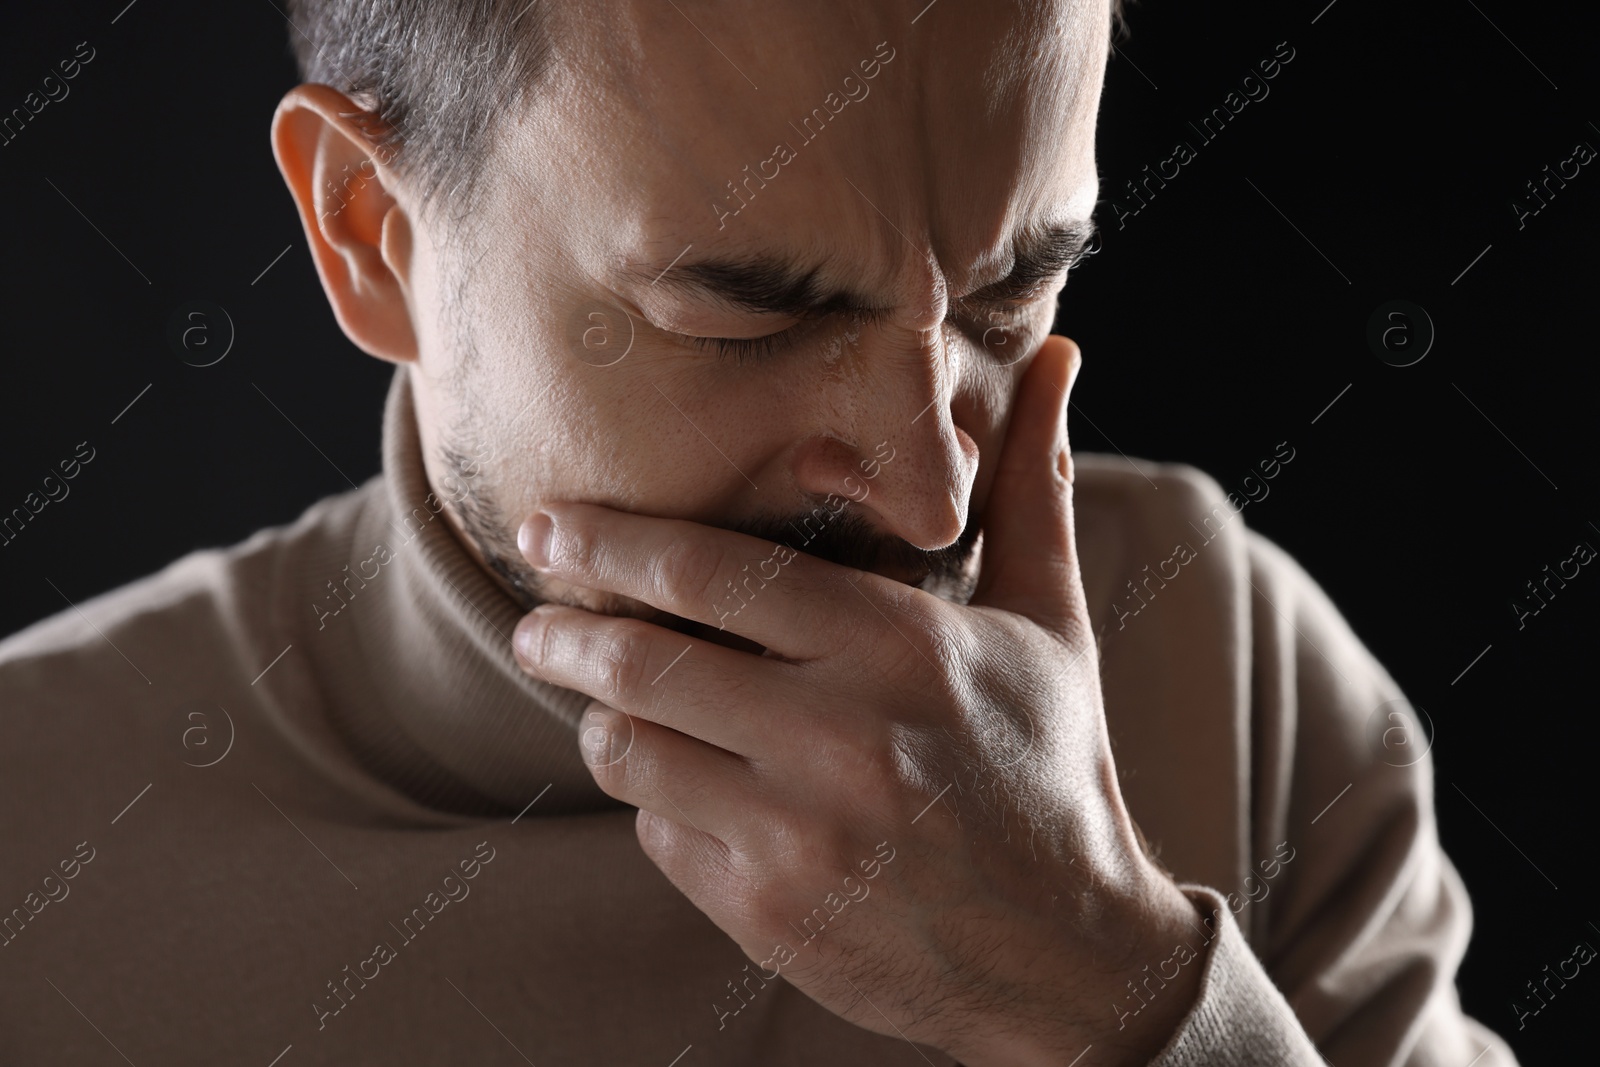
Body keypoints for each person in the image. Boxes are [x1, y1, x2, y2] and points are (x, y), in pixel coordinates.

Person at [0, 1, 1520, 1063]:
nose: (932, 499)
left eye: (1011, 298)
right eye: (750, 317)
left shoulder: (1228, 665)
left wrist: (1120, 1004)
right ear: (372, 235)